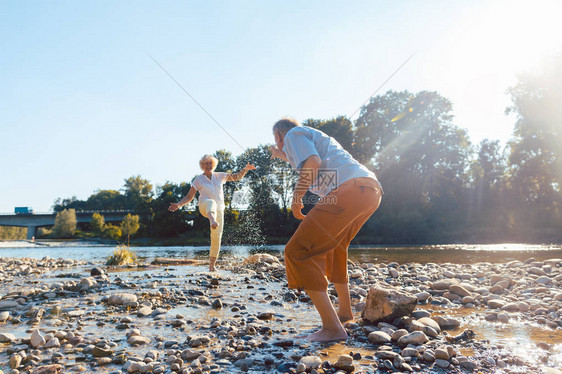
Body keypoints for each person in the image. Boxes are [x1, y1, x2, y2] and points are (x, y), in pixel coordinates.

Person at [270, 118, 383, 342]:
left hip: (349, 189)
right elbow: (299, 160)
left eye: (277, 140)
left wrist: (296, 197)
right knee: (336, 247)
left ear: (281, 134)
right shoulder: (311, 137)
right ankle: (344, 313)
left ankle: (332, 329)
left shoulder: (293, 134)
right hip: (370, 190)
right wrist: (278, 153)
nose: (281, 146)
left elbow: (312, 162)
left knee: (297, 251)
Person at [168, 155, 256, 271]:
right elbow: (189, 197)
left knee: (216, 237)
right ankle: (212, 220)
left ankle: (212, 265)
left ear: (213, 165)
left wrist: (245, 169)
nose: (208, 166)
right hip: (205, 206)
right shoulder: (198, 180)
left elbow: (236, 177)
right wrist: (179, 205)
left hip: (220, 209)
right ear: (202, 166)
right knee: (211, 203)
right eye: (206, 164)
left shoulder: (219, 176)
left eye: (210, 163)